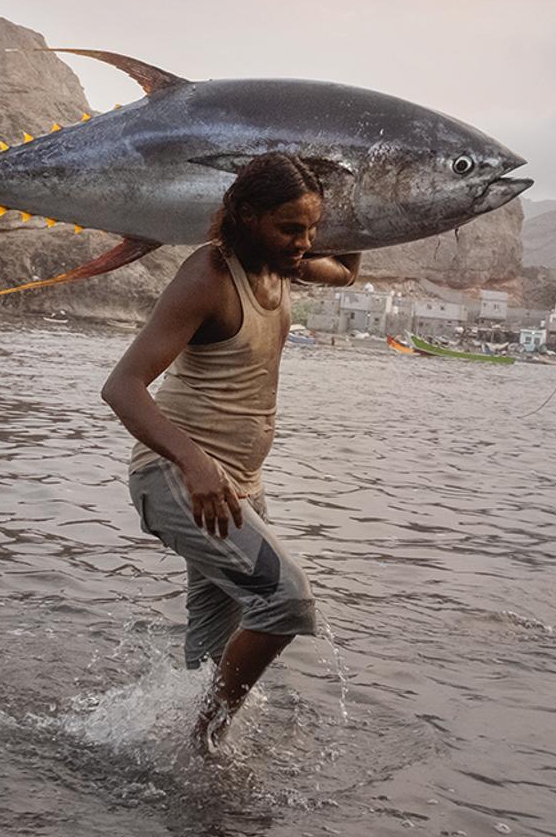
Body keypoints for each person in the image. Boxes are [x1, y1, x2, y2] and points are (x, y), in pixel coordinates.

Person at [101, 153, 361, 751]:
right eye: (290, 228)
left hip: (241, 485)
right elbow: (122, 388)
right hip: (178, 478)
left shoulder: (282, 266)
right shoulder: (210, 276)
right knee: (286, 599)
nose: (304, 243)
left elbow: (345, 272)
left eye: (312, 229)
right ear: (244, 215)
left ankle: (171, 755)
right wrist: (195, 464)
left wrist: (357, 199)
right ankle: (205, 743)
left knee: (211, 651)